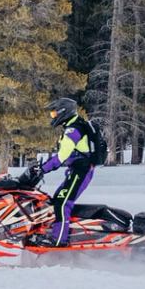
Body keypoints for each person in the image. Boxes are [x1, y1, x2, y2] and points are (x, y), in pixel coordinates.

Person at [30, 96, 108, 247]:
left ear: (63, 112)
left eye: (54, 114)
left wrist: (43, 169)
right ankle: (58, 233)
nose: (53, 117)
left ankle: (59, 240)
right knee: (56, 201)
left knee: (62, 204)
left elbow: (61, 157)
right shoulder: (74, 125)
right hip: (77, 171)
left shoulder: (73, 130)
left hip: (81, 171)